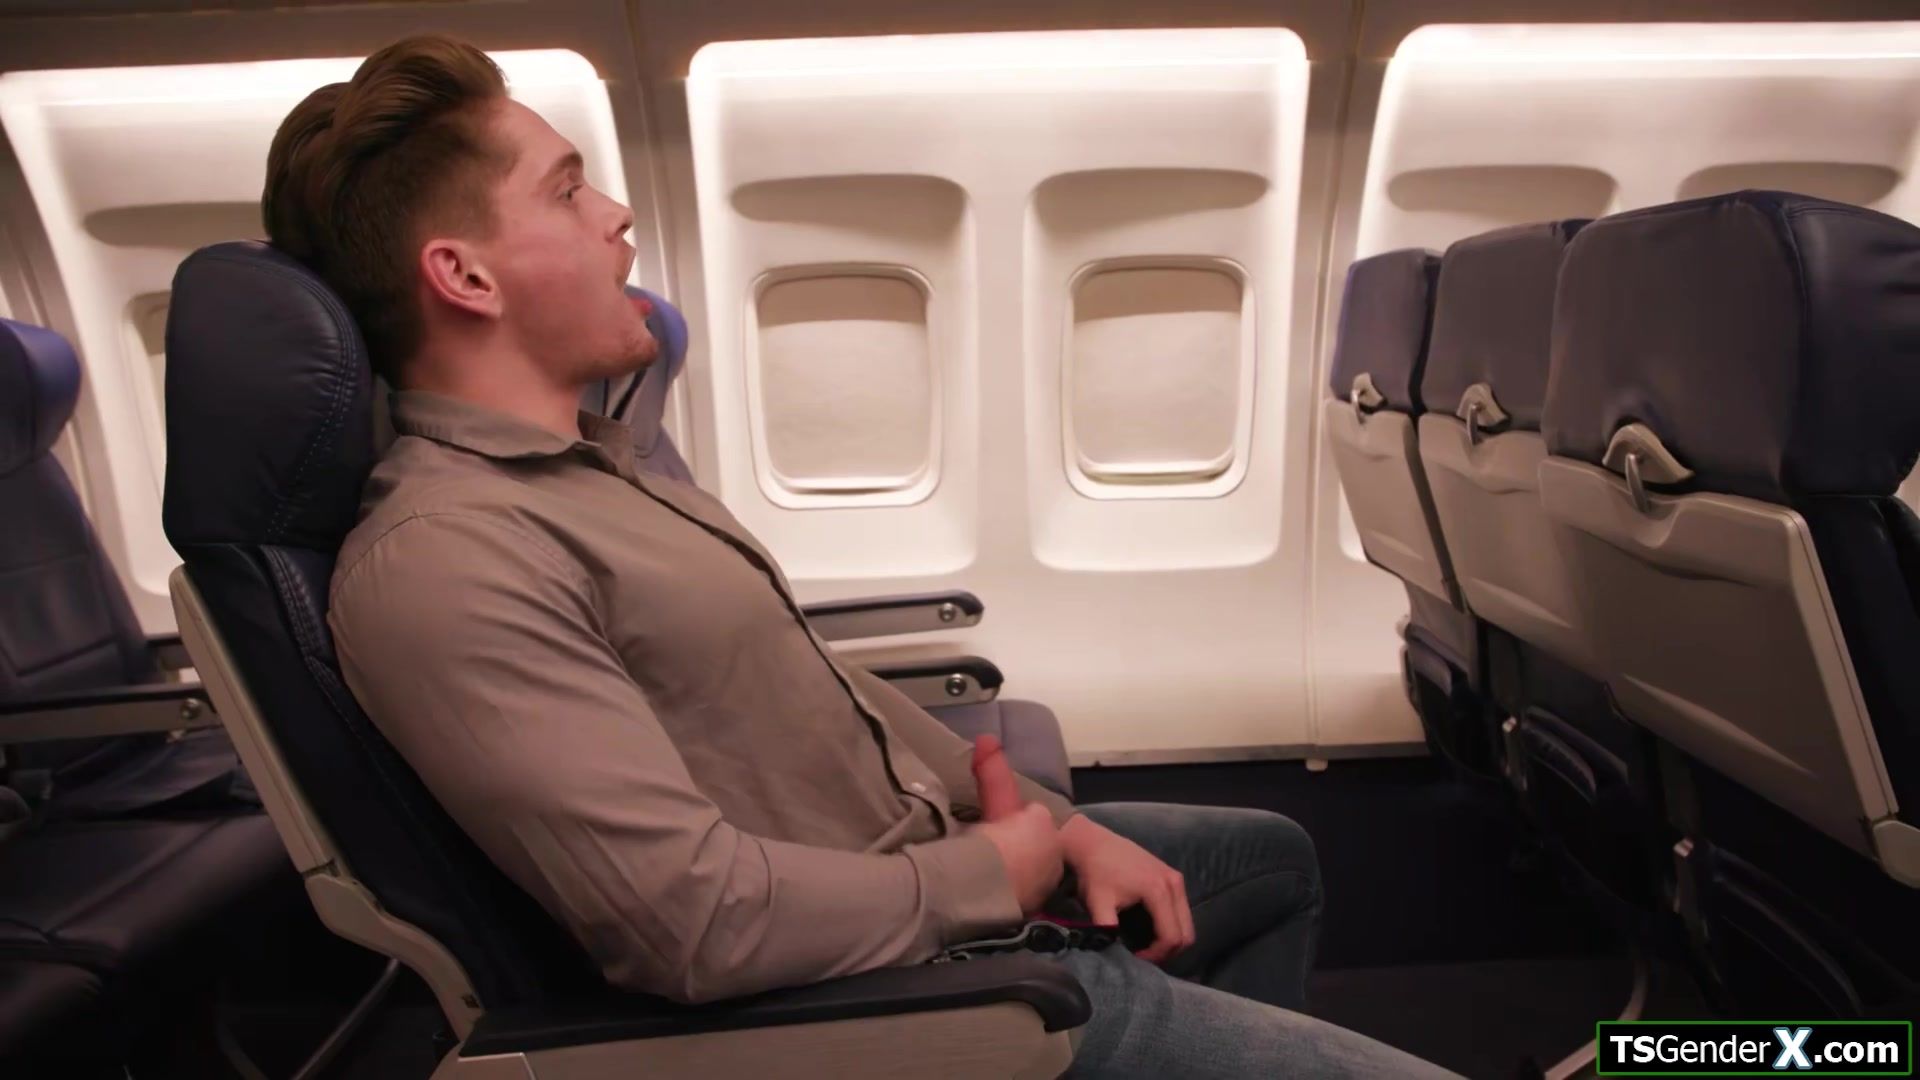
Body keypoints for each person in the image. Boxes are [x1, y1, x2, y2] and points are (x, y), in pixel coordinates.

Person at [267, 35, 1458, 1078]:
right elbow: (692, 927)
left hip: (929, 891)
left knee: (1269, 863)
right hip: (886, 992)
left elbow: (816, 688)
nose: (616, 214)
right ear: (464, 275)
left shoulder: (599, 470)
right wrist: (992, 874)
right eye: (569, 190)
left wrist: (1056, 828)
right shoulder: (448, 559)